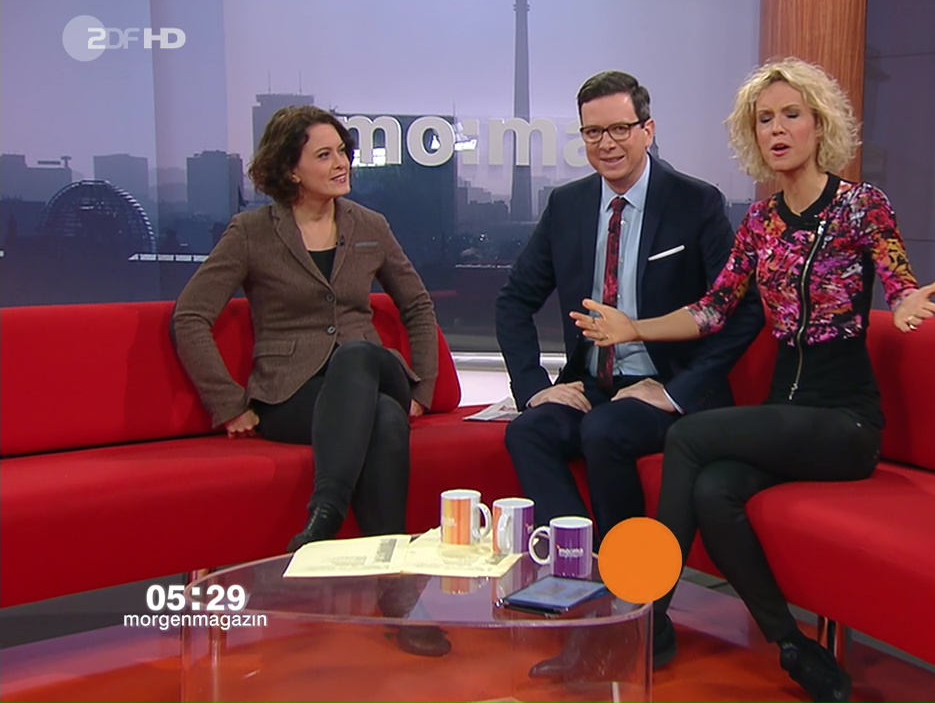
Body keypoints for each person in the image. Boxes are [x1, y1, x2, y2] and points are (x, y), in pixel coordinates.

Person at [573, 58, 935, 703]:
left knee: (689, 437)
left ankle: (646, 616)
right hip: (787, 409)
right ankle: (792, 646)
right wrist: (634, 328)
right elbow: (713, 310)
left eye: (791, 115)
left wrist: (908, 300)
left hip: (844, 420)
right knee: (715, 489)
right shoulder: (760, 221)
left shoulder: (861, 206)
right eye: (765, 119)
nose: (777, 129)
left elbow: (898, 278)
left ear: (819, 125)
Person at [495, 70, 765, 677]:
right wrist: (535, 389)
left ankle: (644, 619)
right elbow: (513, 301)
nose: (607, 144)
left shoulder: (695, 203)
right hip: (595, 386)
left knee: (605, 432)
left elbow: (742, 312)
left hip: (670, 390)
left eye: (620, 128)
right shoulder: (567, 206)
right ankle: (586, 589)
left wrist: (676, 391)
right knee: (529, 431)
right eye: (593, 133)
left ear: (648, 129)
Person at [172, 106, 448, 656]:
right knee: (384, 421)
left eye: (343, 151)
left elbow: (417, 305)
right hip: (292, 393)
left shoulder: (370, 226)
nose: (342, 163)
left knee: (361, 357)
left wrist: (423, 390)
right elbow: (190, 315)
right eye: (325, 155)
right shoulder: (252, 232)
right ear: (290, 169)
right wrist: (229, 404)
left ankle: (324, 518)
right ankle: (398, 596)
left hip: (375, 373)